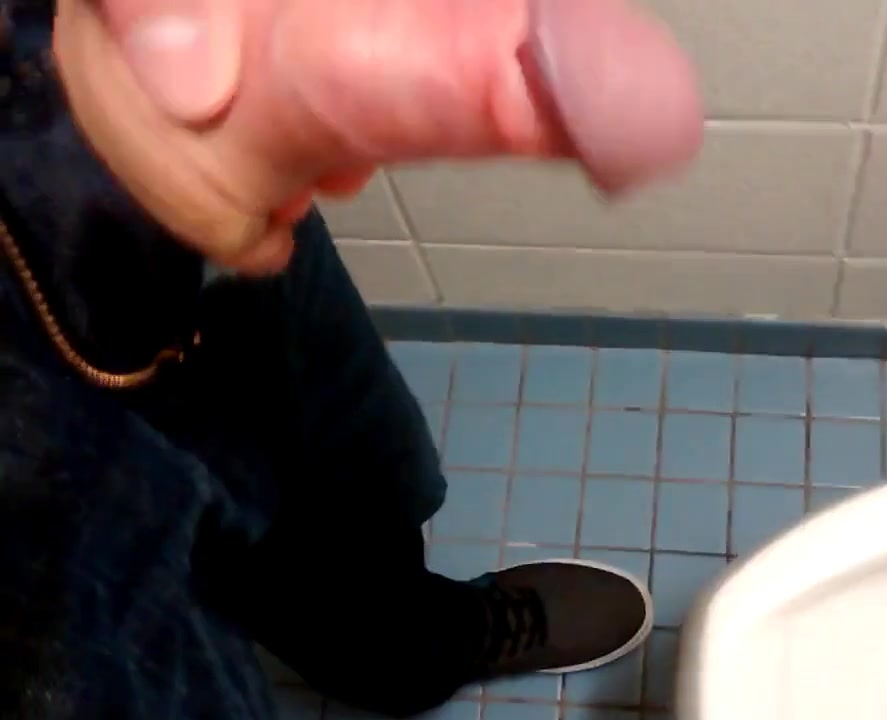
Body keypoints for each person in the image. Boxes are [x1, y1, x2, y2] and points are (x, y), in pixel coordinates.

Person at [0, 0, 703, 717]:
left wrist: (60, 123)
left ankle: (405, 652)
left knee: (357, 473)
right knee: (148, 640)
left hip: (96, 151)